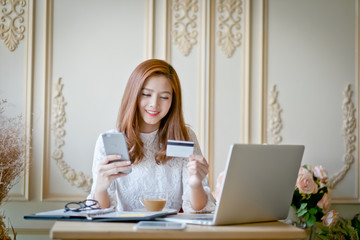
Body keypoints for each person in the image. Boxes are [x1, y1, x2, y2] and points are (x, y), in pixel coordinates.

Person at [88, 59, 216, 213]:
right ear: (133, 95)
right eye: (146, 94)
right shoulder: (109, 141)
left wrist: (196, 184)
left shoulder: (184, 136)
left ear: (173, 101)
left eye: (164, 97)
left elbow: (199, 209)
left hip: (171, 232)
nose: (154, 104)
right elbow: (101, 212)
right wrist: (101, 187)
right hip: (127, 232)